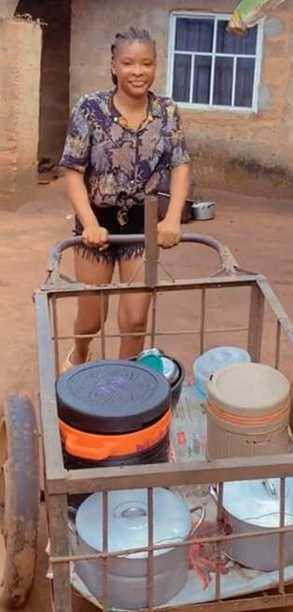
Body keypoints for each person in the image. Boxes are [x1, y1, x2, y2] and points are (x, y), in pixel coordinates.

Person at [59, 27, 192, 369]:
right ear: (114, 65)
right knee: (92, 317)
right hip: (96, 222)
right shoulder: (90, 109)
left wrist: (172, 218)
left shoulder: (167, 111)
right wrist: (88, 224)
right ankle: (81, 354)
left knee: (135, 319)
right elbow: (72, 170)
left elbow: (180, 165)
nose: (138, 71)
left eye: (146, 63)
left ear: (155, 66)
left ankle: (125, 379)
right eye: (129, 62)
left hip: (143, 221)